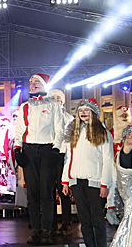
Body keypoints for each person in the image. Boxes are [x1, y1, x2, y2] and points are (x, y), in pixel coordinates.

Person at [14, 73, 64, 245]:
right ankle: (35, 230)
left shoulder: (54, 106)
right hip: (28, 150)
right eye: (31, 82)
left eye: (36, 82)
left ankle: (47, 231)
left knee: (47, 194)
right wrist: (17, 149)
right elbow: (19, 129)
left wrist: (55, 149)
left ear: (44, 85)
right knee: (32, 194)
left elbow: (60, 128)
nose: (33, 85)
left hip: (46, 150)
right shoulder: (25, 106)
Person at [62, 98, 113, 247]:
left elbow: (108, 160)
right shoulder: (74, 133)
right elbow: (68, 158)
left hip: (95, 181)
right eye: (80, 110)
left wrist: (105, 183)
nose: (83, 113)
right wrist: (65, 180)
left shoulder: (103, 133)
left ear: (94, 113)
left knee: (97, 219)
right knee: (84, 220)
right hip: (77, 182)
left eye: (86, 110)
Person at [49, 89, 74, 236]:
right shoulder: (45, 116)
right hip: (48, 156)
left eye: (58, 98)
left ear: (62, 101)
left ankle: (66, 222)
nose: (56, 100)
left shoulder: (69, 118)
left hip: (62, 155)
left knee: (63, 189)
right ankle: (51, 222)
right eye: (53, 97)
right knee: (49, 190)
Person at [0, 118, 15, 201]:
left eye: (4, 125)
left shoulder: (9, 134)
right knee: (1, 177)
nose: (3, 127)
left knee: (7, 176)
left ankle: (10, 194)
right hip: (1, 158)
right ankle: (3, 194)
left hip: (7, 158)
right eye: (1, 125)